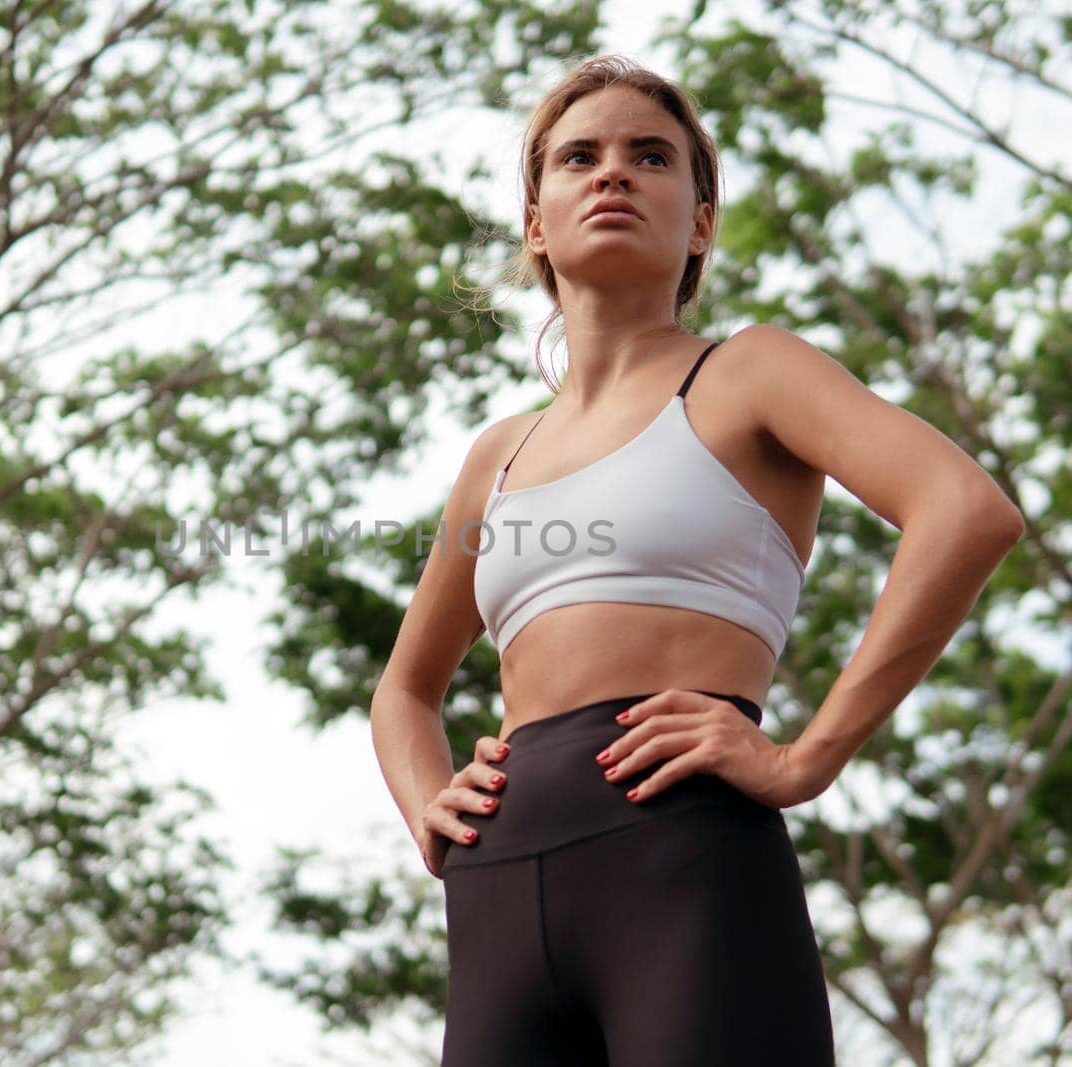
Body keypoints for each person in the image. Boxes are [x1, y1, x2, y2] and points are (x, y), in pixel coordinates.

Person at [368, 53, 1025, 1066]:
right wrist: (428, 803)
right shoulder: (496, 454)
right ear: (536, 220)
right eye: (579, 156)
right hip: (494, 890)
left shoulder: (747, 372)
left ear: (702, 220)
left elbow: (965, 510)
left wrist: (806, 757)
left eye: (651, 155)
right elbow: (405, 690)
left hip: (682, 866)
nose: (613, 172)